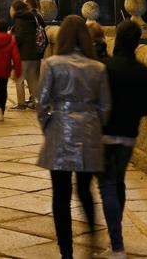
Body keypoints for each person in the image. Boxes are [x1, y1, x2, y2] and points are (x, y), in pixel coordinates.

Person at [37, 15, 111, 259]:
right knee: (85, 190)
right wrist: (92, 124)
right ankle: (92, 238)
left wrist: (50, 126)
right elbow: (105, 108)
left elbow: (43, 102)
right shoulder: (98, 68)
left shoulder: (52, 64)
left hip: (60, 129)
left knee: (61, 194)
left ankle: (66, 251)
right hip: (88, 132)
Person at [98, 20, 147, 259]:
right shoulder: (144, 72)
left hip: (107, 135)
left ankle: (117, 245)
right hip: (129, 136)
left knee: (108, 186)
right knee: (118, 183)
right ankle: (115, 240)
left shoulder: (107, 68)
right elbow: (146, 108)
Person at [10, 0, 42, 109]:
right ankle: (38, 103)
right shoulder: (32, 17)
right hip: (34, 54)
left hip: (24, 54)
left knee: (19, 79)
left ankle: (21, 103)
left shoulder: (20, 19)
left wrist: (12, 40)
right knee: (33, 80)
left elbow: (19, 37)